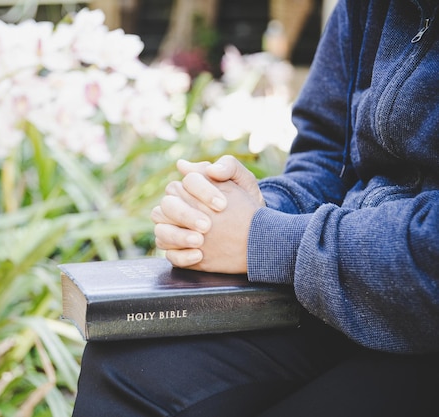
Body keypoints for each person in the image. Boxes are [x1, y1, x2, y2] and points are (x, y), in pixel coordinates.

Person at [71, 0, 439, 415]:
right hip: (346, 282)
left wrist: (262, 240)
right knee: (125, 368)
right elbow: (324, 152)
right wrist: (246, 210)